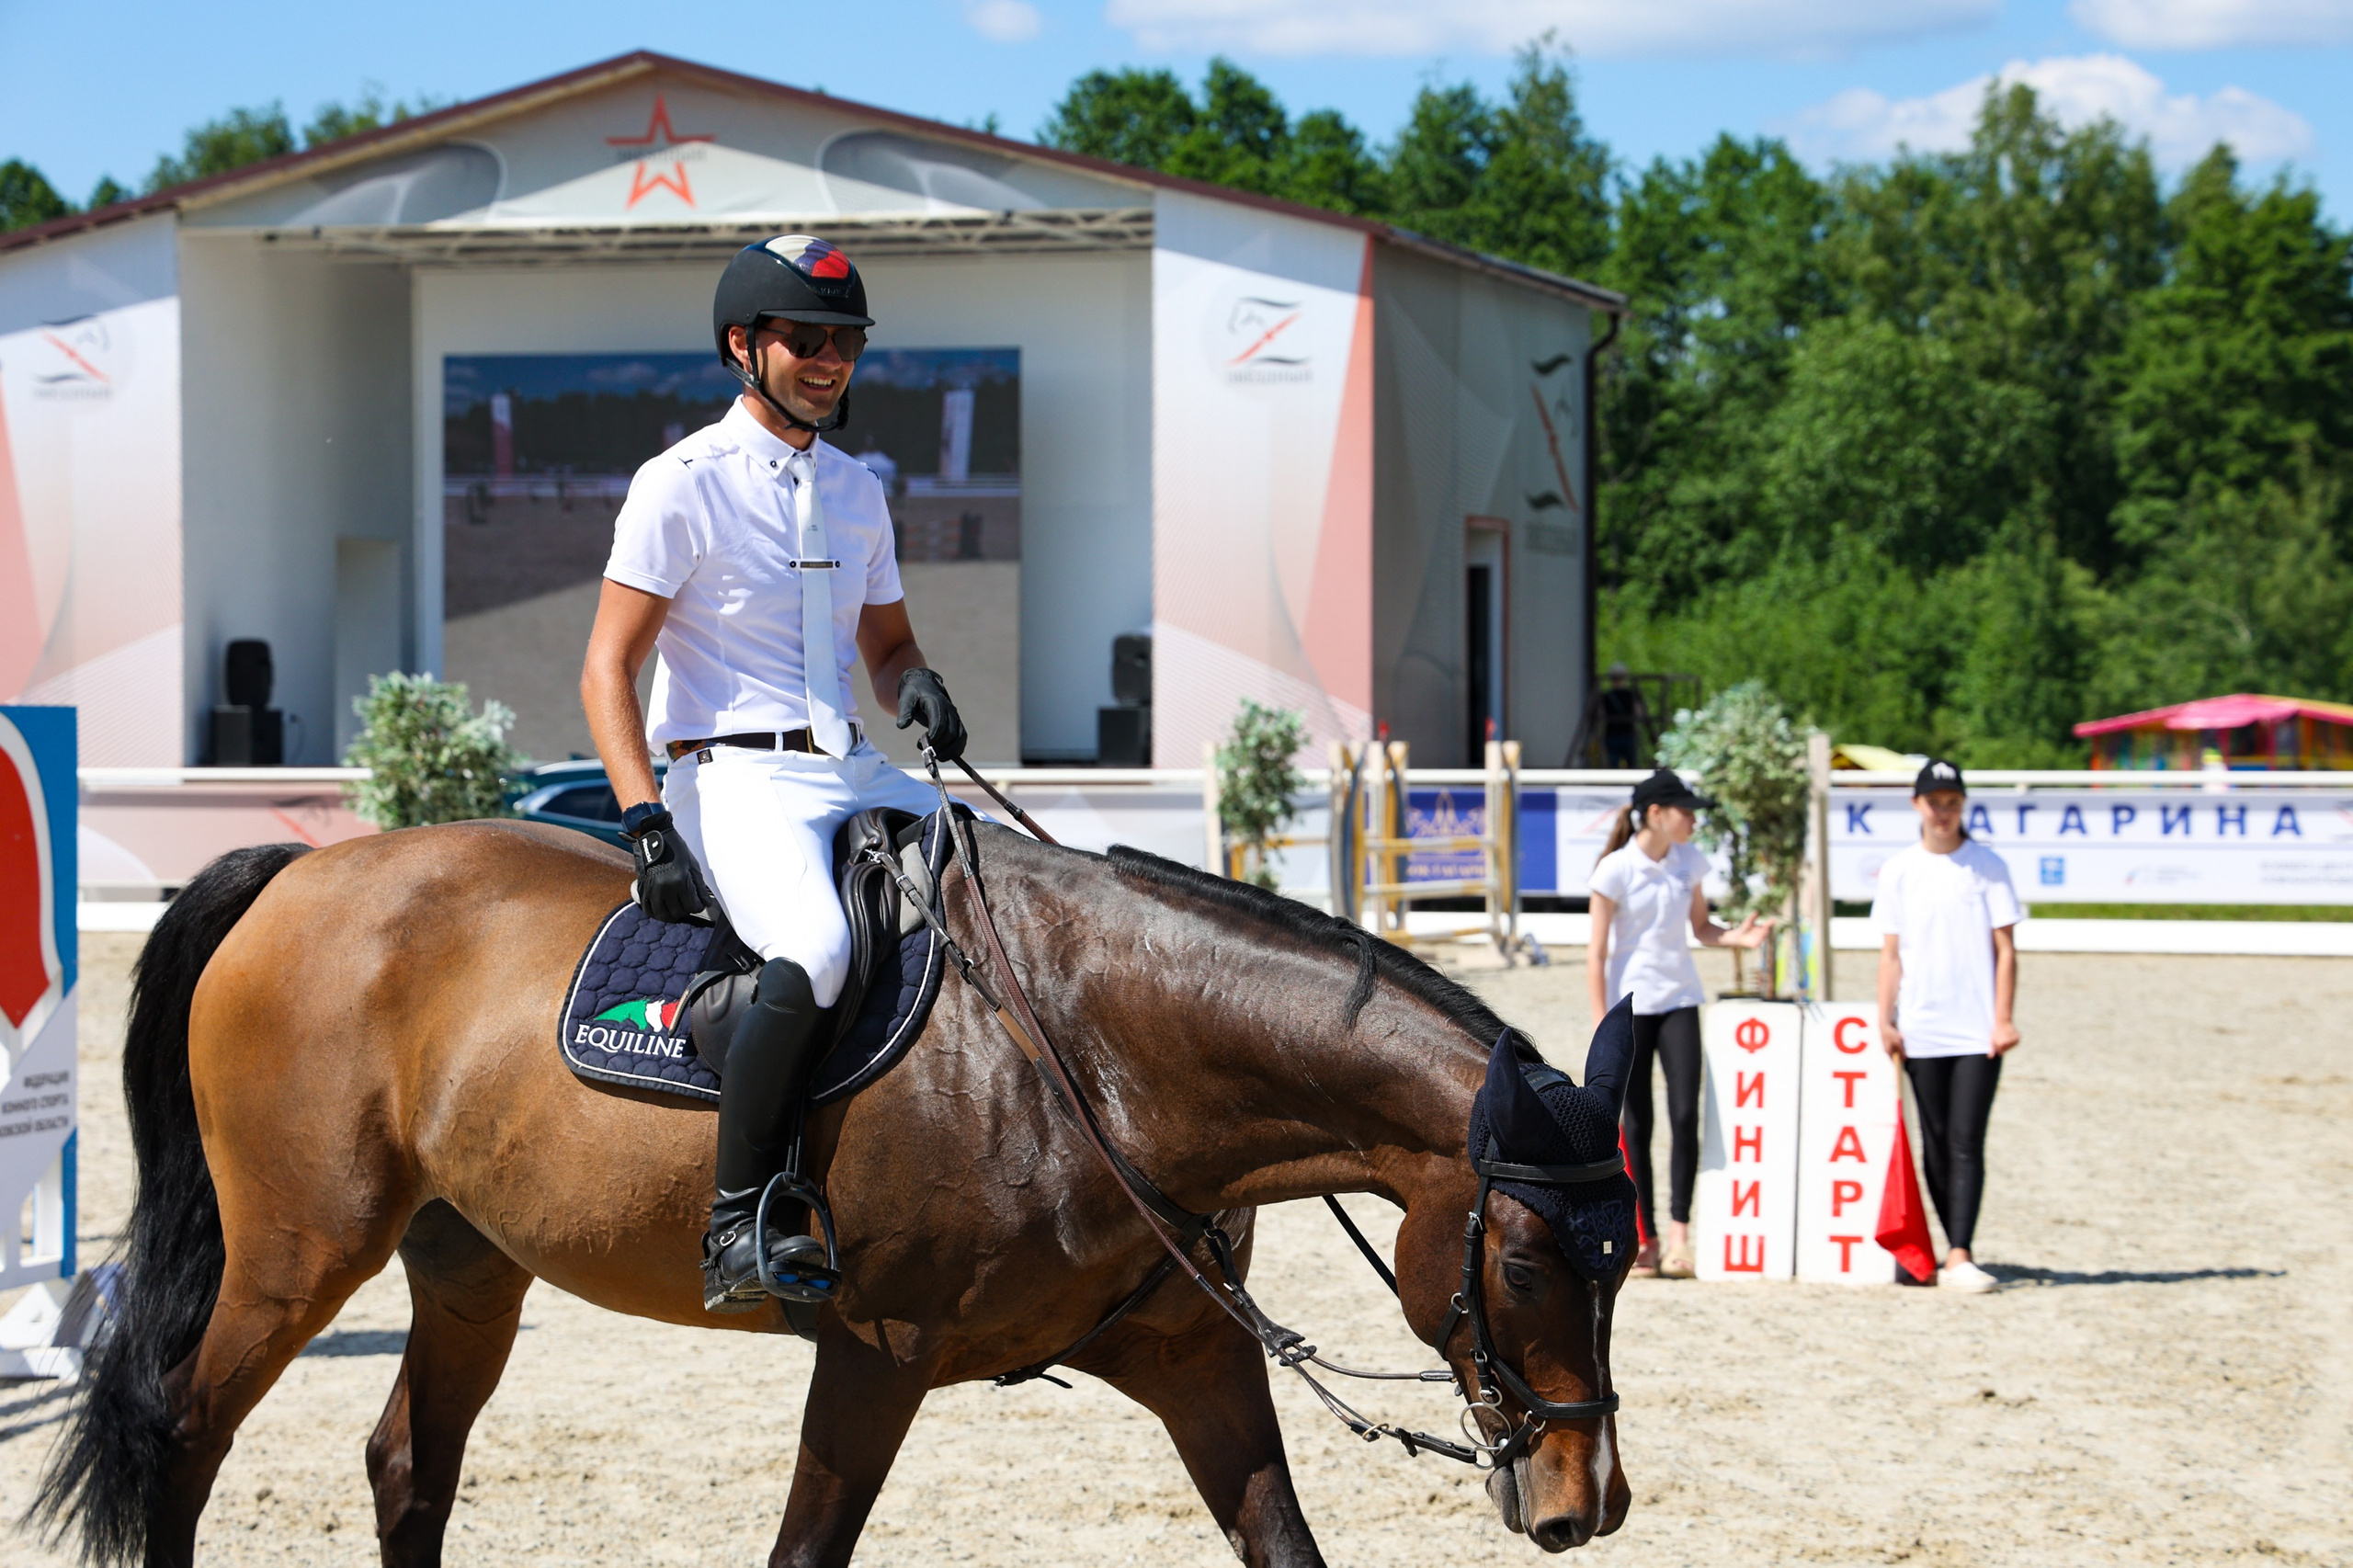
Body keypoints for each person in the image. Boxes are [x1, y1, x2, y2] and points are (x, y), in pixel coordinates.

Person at [580, 234, 969, 1314]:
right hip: (729, 779)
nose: (831, 359)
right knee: (820, 943)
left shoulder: (857, 490)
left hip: (847, 764)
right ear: (744, 346)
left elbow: (886, 650)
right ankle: (739, 1217)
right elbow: (609, 664)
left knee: (1007, 875)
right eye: (808, 339)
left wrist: (917, 684)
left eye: (845, 341)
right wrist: (644, 816)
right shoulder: (681, 484)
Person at [1586, 768, 1771, 1278]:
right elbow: (1597, 951)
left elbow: (1702, 928)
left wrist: (1739, 938)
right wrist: (1603, 1019)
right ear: (1655, 814)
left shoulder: (1690, 861)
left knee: (1686, 1114)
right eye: (1685, 811)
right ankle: (1643, 1239)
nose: (1693, 819)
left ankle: (1680, 1235)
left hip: (1681, 1000)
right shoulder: (1614, 870)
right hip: (1630, 1008)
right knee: (1637, 1124)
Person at [1872, 758, 2022, 1295]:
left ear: (1963, 805)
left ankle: (1961, 1250)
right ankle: (1938, 1247)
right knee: (1934, 1140)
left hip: (1978, 1029)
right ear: (1918, 805)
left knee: (1965, 1138)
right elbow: (1891, 954)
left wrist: (2003, 1018)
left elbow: (2005, 950)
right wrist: (1884, 1017)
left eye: (1952, 801)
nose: (1944, 811)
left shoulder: (1987, 865)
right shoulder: (1899, 870)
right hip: (1920, 1025)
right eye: (1934, 802)